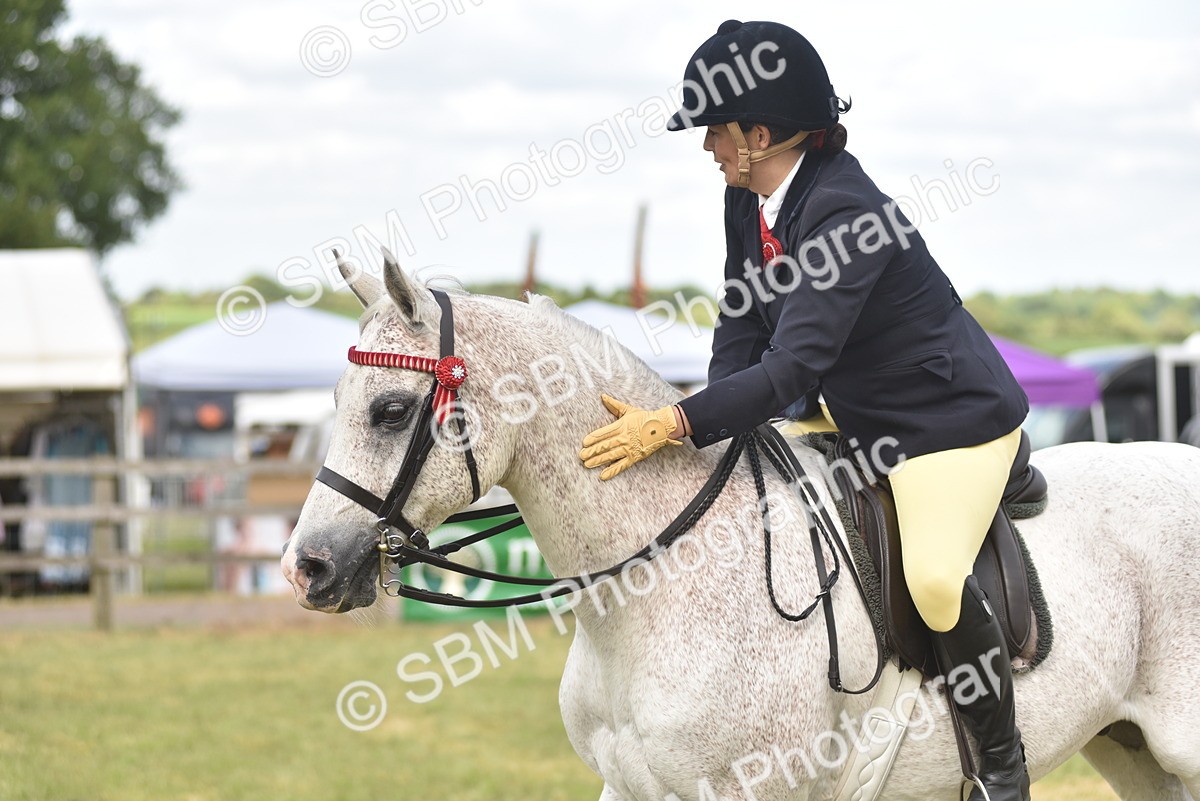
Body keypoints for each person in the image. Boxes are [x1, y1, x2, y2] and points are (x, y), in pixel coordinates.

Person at [578, 20, 1032, 801]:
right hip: (849, 412)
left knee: (930, 577)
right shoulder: (746, 200)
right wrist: (716, 433)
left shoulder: (846, 211)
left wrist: (677, 421)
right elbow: (744, 324)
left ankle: (1001, 768)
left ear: (760, 132)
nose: (707, 147)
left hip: (945, 423)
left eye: (716, 131)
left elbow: (792, 364)